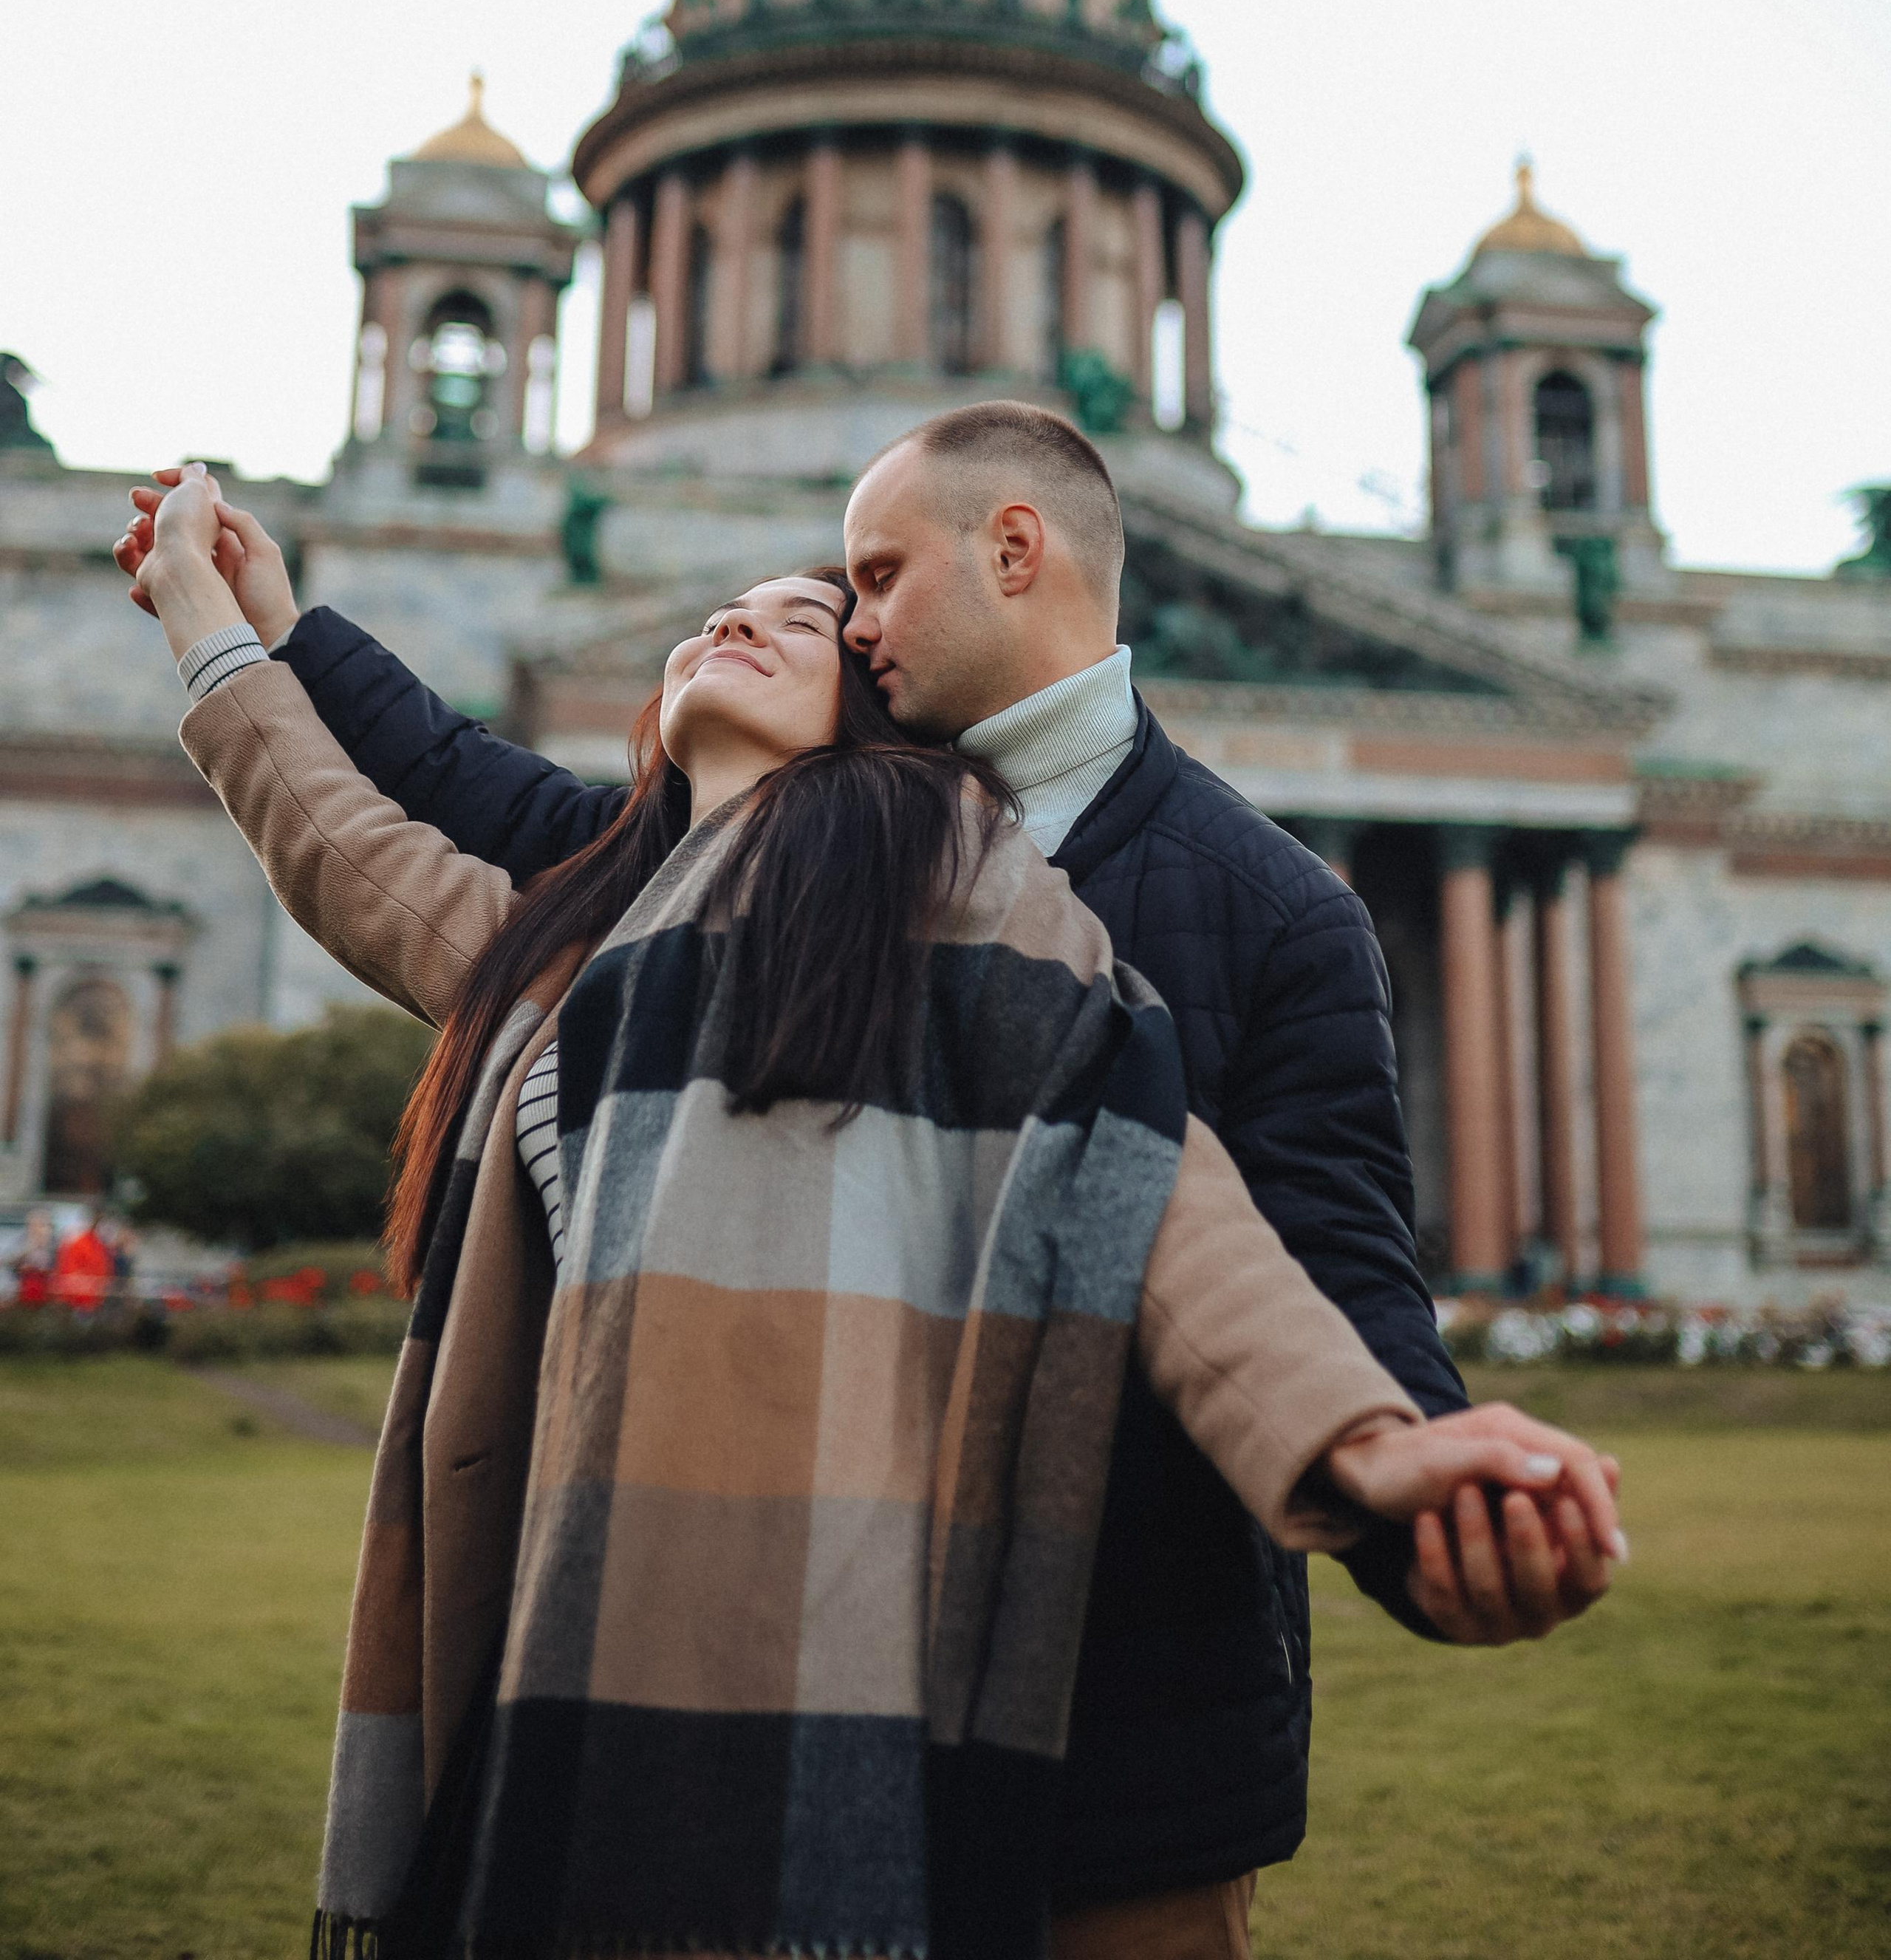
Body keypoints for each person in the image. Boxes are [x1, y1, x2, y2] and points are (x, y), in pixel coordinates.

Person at [127, 465, 1621, 1960]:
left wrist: (1387, 1464)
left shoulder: (992, 901)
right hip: (599, 1662)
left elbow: (1193, 1222)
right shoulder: (585, 937)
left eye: (855, 589)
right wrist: (236, 622)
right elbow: (358, 823)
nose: (807, 613)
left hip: (1048, 1700)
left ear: (1003, 564)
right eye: (753, 607)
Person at [11, 1208, 56, 1305]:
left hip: (47, 1286)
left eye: (41, 1225)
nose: (36, 1228)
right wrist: (30, 1248)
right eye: (33, 1225)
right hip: (25, 1285)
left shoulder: (53, 1243)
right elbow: (12, 1261)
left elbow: (57, 1264)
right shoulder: (22, 1240)